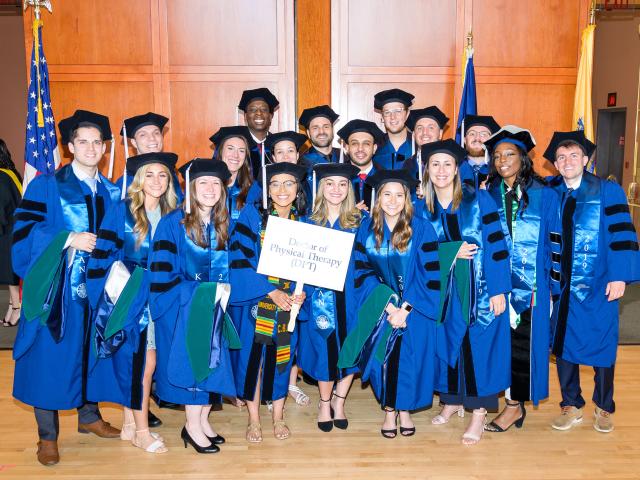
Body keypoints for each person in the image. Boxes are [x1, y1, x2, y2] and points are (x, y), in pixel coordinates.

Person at [12, 110, 121, 466]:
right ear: (70, 147)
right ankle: (47, 437)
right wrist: (67, 238)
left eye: (97, 142)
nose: (90, 148)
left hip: (100, 290)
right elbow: (23, 235)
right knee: (50, 360)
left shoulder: (113, 191)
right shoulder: (47, 186)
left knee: (92, 355)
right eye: (82, 142)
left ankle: (89, 418)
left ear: (105, 148)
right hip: (57, 292)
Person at [415, 139, 511, 445]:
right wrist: (450, 253)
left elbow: (498, 246)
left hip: (480, 290)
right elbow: (416, 253)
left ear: (458, 168)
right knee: (448, 346)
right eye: (435, 164)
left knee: (476, 350)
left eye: (447, 164)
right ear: (426, 170)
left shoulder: (479, 200)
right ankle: (452, 399)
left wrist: (499, 290)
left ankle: (479, 413)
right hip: (442, 294)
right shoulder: (420, 208)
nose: (441, 170)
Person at [543, 131, 640, 433]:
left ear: (586, 159)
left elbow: (622, 235)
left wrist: (620, 276)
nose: (567, 161)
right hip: (560, 286)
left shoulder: (607, 191)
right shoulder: (549, 191)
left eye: (574, 156)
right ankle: (571, 405)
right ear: (555, 165)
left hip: (598, 284)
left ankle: (604, 407)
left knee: (602, 345)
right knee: (564, 346)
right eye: (561, 157)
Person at [85, 152, 178, 454]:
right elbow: (101, 258)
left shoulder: (173, 213)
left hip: (160, 297)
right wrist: (117, 294)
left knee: (140, 362)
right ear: (138, 180)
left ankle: (127, 425)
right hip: (128, 296)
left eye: (162, 175)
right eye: (149, 175)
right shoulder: (121, 211)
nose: (156, 181)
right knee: (141, 363)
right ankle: (142, 430)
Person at [149, 159, 238, 454]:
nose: (210, 189)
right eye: (203, 183)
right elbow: (161, 274)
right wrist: (199, 292)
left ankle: (202, 420)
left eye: (216, 183)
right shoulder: (172, 223)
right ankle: (192, 426)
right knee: (194, 364)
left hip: (215, 307)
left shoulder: (226, 223)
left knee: (211, 362)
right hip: (184, 308)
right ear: (191, 188)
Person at [345, 169, 440, 438]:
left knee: (406, 361)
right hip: (380, 308)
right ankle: (389, 411)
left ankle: (405, 410)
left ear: (407, 199)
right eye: (387, 194)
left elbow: (429, 275)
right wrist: (388, 306)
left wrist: (405, 309)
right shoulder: (366, 228)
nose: (393, 200)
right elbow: (361, 271)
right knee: (382, 361)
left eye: (399, 195)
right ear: (378, 198)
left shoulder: (422, 228)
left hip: (414, 310)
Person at [482, 126, 559, 432]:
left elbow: (557, 242)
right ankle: (510, 403)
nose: (502, 160)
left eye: (509, 154)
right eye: (497, 155)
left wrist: (553, 286)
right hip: (498, 285)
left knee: (522, 345)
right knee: (501, 344)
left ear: (523, 158)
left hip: (534, 287)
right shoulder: (487, 195)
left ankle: (514, 407)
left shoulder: (545, 195)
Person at [228, 162, 308, 442]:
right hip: (259, 301)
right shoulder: (252, 216)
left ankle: (278, 416)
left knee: (282, 360)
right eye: (275, 184)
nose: (282, 190)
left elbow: (311, 267)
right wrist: (269, 290)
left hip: (289, 306)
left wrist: (303, 292)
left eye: (289, 183)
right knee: (254, 361)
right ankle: (253, 420)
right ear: (266, 189)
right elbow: (238, 259)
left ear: (298, 188)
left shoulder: (304, 222)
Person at [298, 162, 362, 432]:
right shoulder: (306, 222)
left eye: (343, 184)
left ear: (350, 189)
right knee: (324, 351)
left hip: (354, 296)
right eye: (330, 183)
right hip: (320, 297)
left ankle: (339, 401)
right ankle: (324, 402)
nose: (336, 189)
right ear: (320, 187)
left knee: (351, 348)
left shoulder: (362, 222)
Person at [116, 112, 183, 204]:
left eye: (156, 133)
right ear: (134, 143)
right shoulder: (125, 183)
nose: (152, 138)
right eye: (143, 135)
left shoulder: (171, 175)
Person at [336, 119, 385, 211]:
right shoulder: (337, 178)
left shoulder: (385, 178)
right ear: (347, 148)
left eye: (366, 144)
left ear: (374, 148)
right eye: (354, 143)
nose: (360, 149)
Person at [210, 126, 254, 225]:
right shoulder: (206, 190)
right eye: (230, 148)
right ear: (220, 151)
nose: (236, 155)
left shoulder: (254, 191)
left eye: (241, 151)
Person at [0, 138, 22, 327]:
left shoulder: (1, 176)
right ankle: (11, 308)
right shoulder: (11, 173)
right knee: (10, 274)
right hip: (15, 228)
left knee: (10, 273)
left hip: (7, 231)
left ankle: (17, 309)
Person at [238, 87, 279, 179]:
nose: (259, 113)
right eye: (252, 110)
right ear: (245, 116)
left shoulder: (278, 145)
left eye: (264, 110)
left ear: (271, 116)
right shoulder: (234, 145)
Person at [403, 106, 450, 181]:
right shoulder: (407, 165)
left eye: (431, 128)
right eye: (420, 128)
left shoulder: (454, 162)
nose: (425, 133)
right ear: (414, 135)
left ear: (440, 134)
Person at [372, 89, 415, 170]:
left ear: (407, 114)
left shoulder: (418, 146)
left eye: (398, 111)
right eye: (387, 112)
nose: (393, 117)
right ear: (382, 117)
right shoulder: (373, 149)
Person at [458, 115, 500, 190]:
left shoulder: (499, 170)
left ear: (491, 140)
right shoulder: (455, 169)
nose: (477, 138)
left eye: (483, 134)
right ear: (464, 140)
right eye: (472, 134)